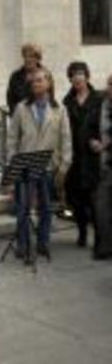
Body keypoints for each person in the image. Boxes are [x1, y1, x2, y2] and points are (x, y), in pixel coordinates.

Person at [7, 68, 72, 259]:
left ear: (49, 83)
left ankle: (43, 242)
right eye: (34, 81)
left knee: (45, 207)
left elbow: (66, 138)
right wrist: (13, 161)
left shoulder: (59, 109)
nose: (37, 83)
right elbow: (12, 138)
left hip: (48, 166)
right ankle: (23, 244)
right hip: (25, 166)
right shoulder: (21, 108)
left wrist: (64, 164)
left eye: (41, 80)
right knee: (23, 208)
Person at [63, 62, 104, 248]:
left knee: (95, 200)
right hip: (75, 157)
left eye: (80, 73)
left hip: (94, 157)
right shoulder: (67, 102)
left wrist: (100, 141)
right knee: (76, 199)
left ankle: (99, 236)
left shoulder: (99, 99)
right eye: (73, 74)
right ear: (70, 79)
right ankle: (82, 231)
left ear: (87, 76)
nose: (77, 77)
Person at [93, 73, 112, 260]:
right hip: (104, 165)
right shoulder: (102, 103)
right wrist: (94, 141)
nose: (109, 88)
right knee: (101, 207)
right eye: (108, 84)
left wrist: (107, 144)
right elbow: (92, 126)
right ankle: (104, 246)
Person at [6, 43, 44, 115]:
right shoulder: (15, 76)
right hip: (21, 118)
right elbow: (10, 100)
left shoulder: (46, 75)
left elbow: (50, 98)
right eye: (25, 56)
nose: (28, 59)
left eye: (31, 56)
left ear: (38, 59)